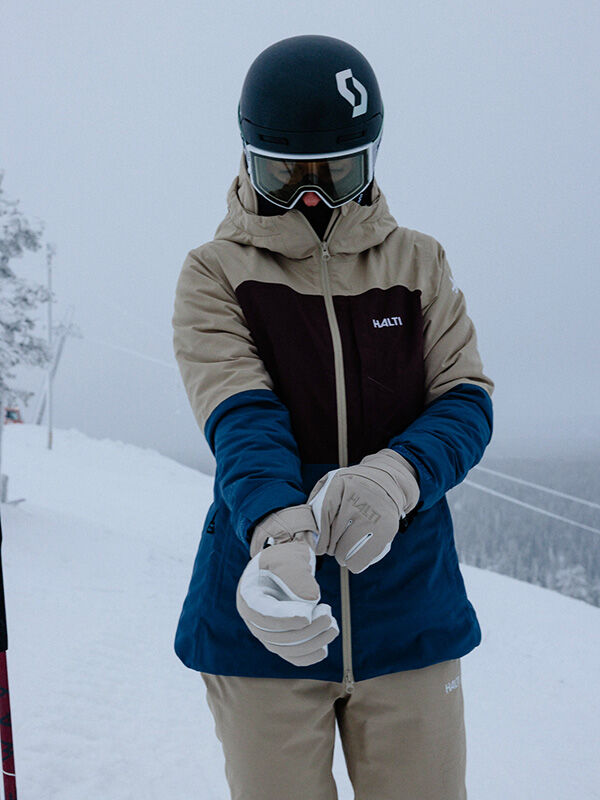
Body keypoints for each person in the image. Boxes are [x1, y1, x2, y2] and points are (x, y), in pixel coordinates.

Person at [172, 34, 494, 800]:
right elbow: (240, 414)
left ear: (371, 159)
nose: (312, 200)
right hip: (270, 606)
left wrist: (396, 478)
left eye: (336, 174)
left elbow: (465, 400)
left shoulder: (419, 265)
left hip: (408, 606)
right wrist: (278, 534)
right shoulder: (216, 273)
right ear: (249, 159)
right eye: (283, 179)